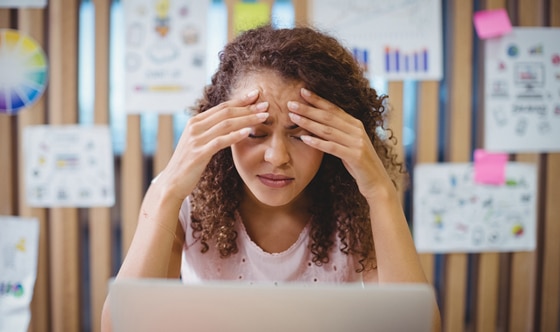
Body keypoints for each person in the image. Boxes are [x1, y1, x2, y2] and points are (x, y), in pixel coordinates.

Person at [101, 24, 441, 331]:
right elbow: (120, 327)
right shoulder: (184, 200)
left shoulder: (356, 204)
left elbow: (418, 328)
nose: (277, 157)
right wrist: (169, 189)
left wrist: (380, 190)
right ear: (223, 129)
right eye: (255, 133)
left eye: (301, 134)